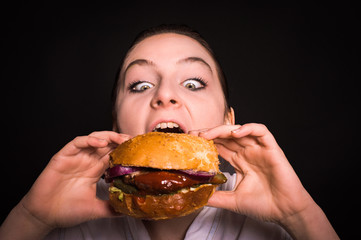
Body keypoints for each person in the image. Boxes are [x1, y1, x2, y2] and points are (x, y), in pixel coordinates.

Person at [0, 24, 339, 240]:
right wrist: (29, 219)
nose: (164, 94)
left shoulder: (277, 223)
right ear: (117, 129)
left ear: (229, 122)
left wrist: (301, 217)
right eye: (140, 85)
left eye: (193, 83)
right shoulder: (68, 219)